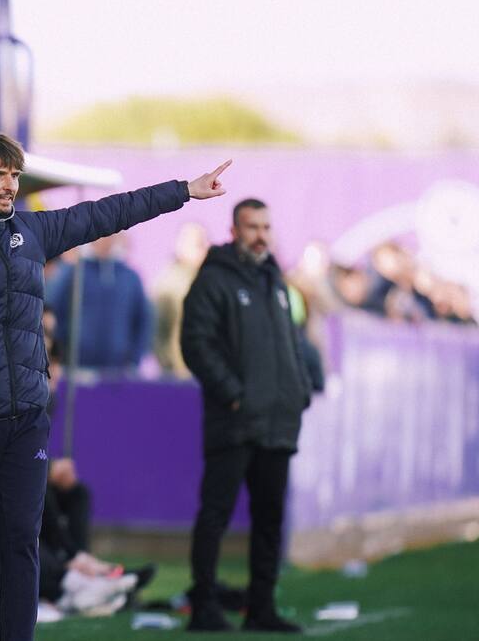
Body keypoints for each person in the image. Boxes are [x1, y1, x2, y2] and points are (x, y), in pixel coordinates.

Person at [0, 131, 230, 641]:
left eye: (15, 175)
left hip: (27, 419)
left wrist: (183, 190)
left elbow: (108, 213)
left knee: (22, 544)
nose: (11, 185)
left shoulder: (30, 232)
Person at [180, 198, 311, 633]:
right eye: (252, 227)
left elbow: (291, 341)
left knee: (270, 518)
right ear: (234, 231)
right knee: (215, 514)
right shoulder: (214, 279)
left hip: (277, 420)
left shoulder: (275, 278)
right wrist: (234, 395)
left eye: (266, 227)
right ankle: (203, 606)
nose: (261, 235)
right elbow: (195, 342)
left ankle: (261, 608)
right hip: (234, 420)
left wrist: (299, 389)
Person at [48, 233, 154, 374]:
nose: (105, 240)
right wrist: (59, 356)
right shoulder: (73, 273)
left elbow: (143, 320)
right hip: (77, 369)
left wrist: (134, 360)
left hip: (118, 371)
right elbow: (54, 315)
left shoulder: (130, 277)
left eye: (110, 235)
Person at [152, 223, 210, 377]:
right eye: (198, 244)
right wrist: (169, 364)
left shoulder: (210, 281)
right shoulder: (168, 284)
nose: (204, 248)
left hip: (207, 373)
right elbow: (157, 331)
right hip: (178, 374)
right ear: (181, 245)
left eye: (204, 243)